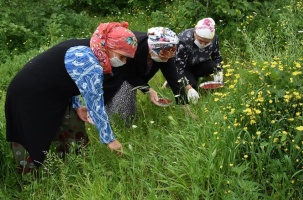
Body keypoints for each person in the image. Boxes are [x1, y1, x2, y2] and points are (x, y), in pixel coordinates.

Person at [5, 21, 137, 174]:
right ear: (109, 46)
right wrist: (110, 139)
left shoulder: (93, 47)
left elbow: (68, 78)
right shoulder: (89, 61)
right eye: (122, 56)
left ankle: (77, 168)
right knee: (31, 137)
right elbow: (95, 104)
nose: (124, 62)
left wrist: (75, 106)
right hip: (28, 95)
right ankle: (30, 183)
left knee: (73, 126)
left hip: (53, 93)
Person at [103, 27, 194, 126]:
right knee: (123, 105)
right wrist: (148, 89)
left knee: (127, 113)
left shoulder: (165, 52)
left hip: (131, 74)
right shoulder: (133, 49)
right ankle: (111, 118)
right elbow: (127, 73)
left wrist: (185, 106)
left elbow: (174, 79)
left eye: (172, 50)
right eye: (165, 51)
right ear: (153, 47)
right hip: (117, 73)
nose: (168, 55)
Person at [165, 17, 223, 103]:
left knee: (212, 66)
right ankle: (171, 81)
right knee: (193, 86)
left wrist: (219, 73)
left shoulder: (214, 39)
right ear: (195, 33)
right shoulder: (182, 40)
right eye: (200, 40)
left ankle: (190, 77)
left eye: (206, 42)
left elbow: (217, 57)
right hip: (183, 67)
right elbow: (178, 67)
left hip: (198, 64)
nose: (203, 44)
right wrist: (189, 88)